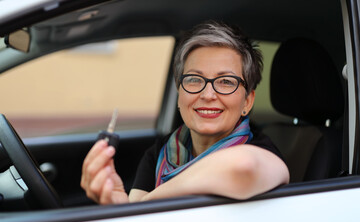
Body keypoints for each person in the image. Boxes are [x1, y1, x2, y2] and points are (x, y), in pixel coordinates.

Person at [81, 20, 289, 205]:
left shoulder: (261, 150)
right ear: (180, 92)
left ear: (248, 101)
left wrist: (146, 202)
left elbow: (242, 167)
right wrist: (121, 206)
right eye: (194, 79)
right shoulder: (162, 150)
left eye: (226, 82)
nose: (208, 94)